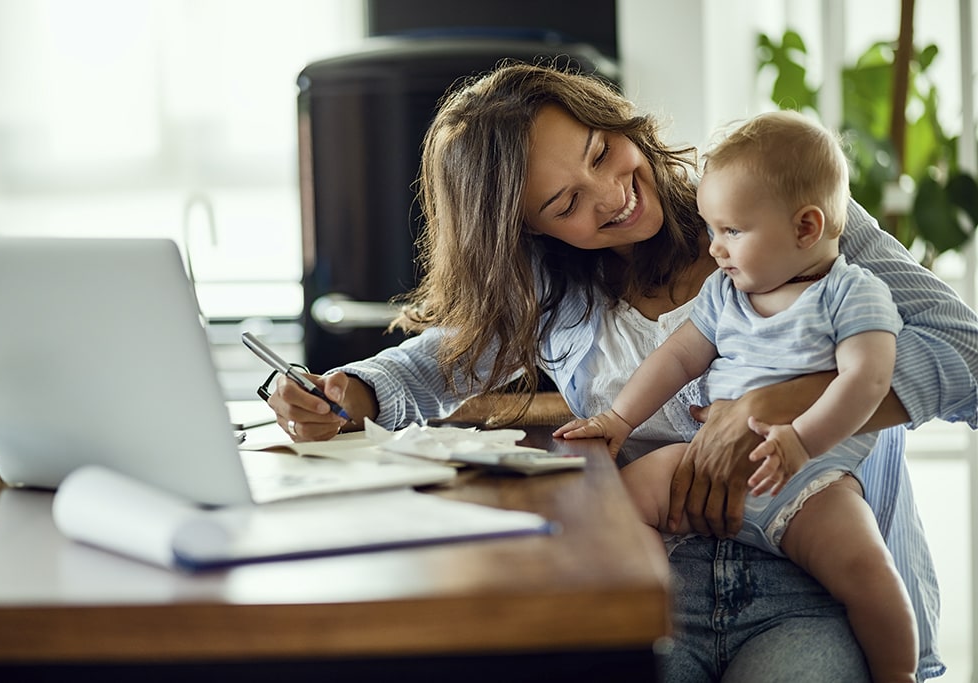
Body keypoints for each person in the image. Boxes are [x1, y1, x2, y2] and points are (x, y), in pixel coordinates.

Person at [268, 62, 978, 681]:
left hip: (814, 577)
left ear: (614, 120)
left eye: (602, 153)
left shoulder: (777, 203)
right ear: (529, 231)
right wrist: (347, 391)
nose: (611, 194)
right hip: (656, 578)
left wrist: (780, 403)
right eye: (565, 203)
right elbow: (435, 362)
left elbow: (968, 356)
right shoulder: (553, 292)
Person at [555, 110, 916, 681]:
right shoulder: (725, 293)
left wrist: (799, 441)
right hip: (705, 459)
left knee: (865, 567)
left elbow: (867, 383)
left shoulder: (852, 293)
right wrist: (620, 418)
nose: (715, 248)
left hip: (810, 479)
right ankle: (652, 616)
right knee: (620, 500)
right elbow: (677, 357)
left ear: (804, 228)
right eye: (712, 229)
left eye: (733, 232)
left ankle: (898, 670)